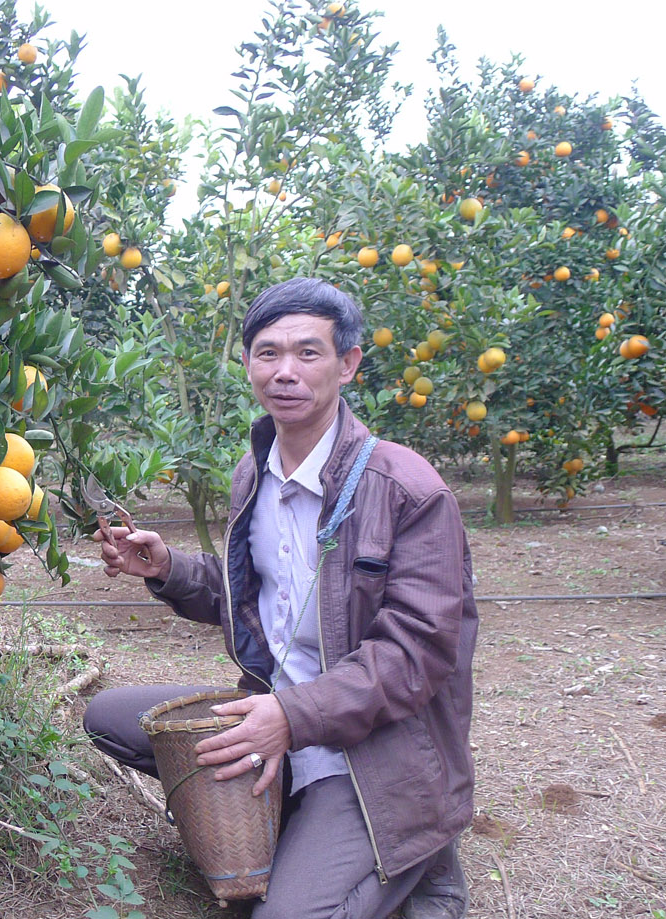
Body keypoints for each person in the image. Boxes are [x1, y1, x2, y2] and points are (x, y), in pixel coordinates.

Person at [84, 278, 477, 919]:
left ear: (348, 363)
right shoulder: (254, 474)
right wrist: (168, 567)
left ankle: (420, 848)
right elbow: (261, 597)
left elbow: (416, 656)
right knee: (112, 718)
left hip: (373, 751)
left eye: (308, 352)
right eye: (267, 353)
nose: (285, 372)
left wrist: (291, 717)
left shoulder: (406, 489)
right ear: (247, 365)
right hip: (276, 719)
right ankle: (288, 812)